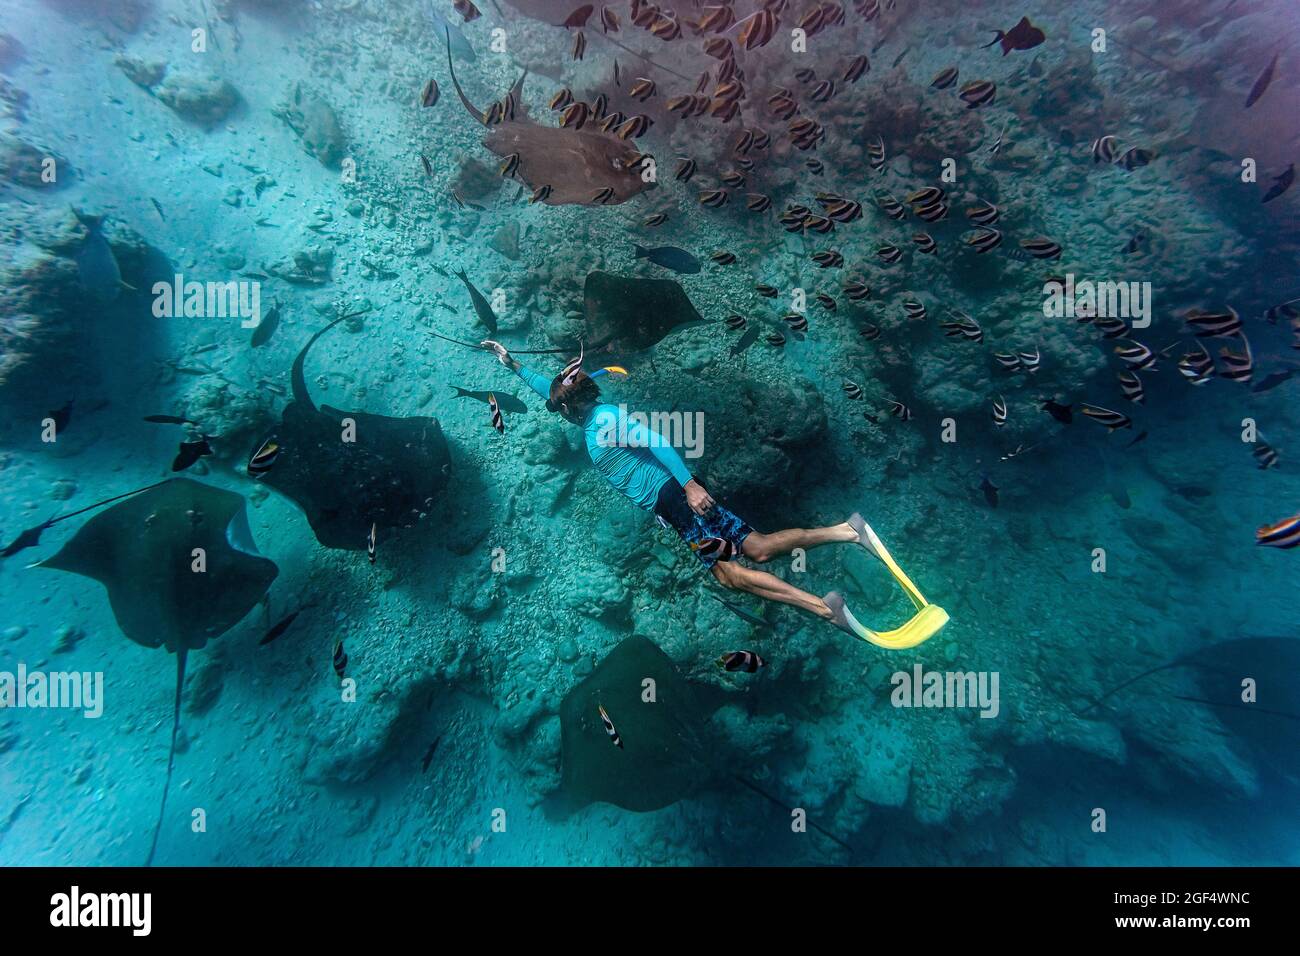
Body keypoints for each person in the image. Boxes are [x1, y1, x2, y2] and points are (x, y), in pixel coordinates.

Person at [481, 340, 869, 632]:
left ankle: (823, 609)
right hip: (677, 497)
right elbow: (549, 391)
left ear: (570, 407)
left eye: (558, 408)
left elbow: (656, 441)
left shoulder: (603, 422)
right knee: (759, 547)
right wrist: (511, 363)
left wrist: (689, 487)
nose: (557, 413)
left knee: (729, 575)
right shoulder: (590, 417)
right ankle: (847, 532)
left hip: (677, 499)